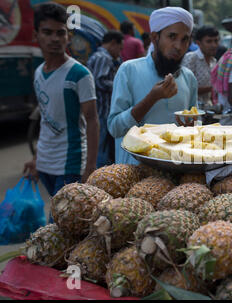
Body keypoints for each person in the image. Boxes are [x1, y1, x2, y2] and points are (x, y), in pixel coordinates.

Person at [23, 3, 99, 219]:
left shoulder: (79, 74)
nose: (54, 39)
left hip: (71, 164)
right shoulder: (39, 72)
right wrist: (36, 158)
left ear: (68, 36)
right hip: (45, 162)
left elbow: (92, 121)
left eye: (60, 33)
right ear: (36, 34)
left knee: (58, 222)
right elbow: (46, 119)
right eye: (47, 32)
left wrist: (90, 167)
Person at [108, 7, 198, 165]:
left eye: (185, 39)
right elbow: (115, 128)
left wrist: (191, 127)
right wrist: (151, 98)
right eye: (172, 36)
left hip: (175, 176)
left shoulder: (189, 78)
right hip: (134, 175)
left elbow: (194, 127)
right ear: (155, 37)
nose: (178, 46)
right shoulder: (129, 70)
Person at [87, 30, 123, 168]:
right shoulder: (104, 57)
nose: (119, 53)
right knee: (101, 147)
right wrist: (118, 85)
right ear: (113, 43)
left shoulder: (97, 55)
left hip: (99, 109)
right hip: (101, 110)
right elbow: (99, 81)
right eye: (120, 49)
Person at [182, 25, 220, 107]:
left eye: (216, 41)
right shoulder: (191, 58)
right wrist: (213, 88)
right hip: (190, 109)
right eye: (209, 41)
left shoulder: (214, 62)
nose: (214, 45)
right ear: (199, 43)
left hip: (207, 108)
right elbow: (185, 88)